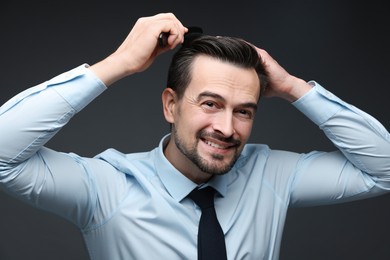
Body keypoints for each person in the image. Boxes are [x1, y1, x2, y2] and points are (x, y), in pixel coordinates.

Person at [0, 12, 389, 260]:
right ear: (171, 105)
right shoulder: (106, 188)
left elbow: (384, 170)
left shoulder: (272, 175)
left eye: (243, 111)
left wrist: (291, 87)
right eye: (209, 104)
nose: (226, 127)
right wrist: (118, 64)